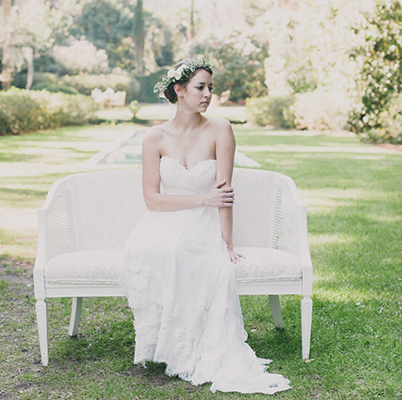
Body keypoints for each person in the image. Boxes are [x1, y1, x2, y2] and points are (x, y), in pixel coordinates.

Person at [118, 58, 290, 394]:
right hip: (164, 219)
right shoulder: (154, 137)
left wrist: (227, 243)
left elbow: (223, 195)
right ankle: (163, 343)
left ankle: (191, 347)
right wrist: (201, 199)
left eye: (210, 87)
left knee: (185, 250)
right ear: (179, 91)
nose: (208, 94)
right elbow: (152, 200)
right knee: (154, 249)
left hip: (205, 223)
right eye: (200, 87)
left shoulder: (220, 129)